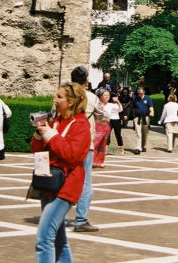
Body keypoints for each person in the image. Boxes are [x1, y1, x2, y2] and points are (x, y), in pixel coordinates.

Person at [32, 81, 91, 263]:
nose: (54, 100)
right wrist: (39, 133)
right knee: (58, 239)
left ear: (71, 101)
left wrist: (51, 135)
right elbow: (36, 149)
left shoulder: (81, 124)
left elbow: (72, 155)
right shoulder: (56, 121)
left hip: (67, 185)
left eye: (59, 97)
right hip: (48, 181)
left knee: (44, 238)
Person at [71, 65, 100, 233]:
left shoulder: (62, 95)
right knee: (85, 183)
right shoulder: (90, 97)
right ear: (86, 80)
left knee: (63, 178)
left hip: (63, 143)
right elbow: (103, 114)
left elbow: (53, 114)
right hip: (84, 145)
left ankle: (55, 215)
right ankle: (81, 219)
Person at [130, 86, 153, 154]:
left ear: (144, 92)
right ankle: (138, 148)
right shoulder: (135, 99)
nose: (140, 94)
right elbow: (132, 107)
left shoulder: (148, 98)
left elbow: (151, 107)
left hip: (145, 117)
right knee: (138, 133)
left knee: (144, 133)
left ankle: (143, 146)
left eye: (141, 93)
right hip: (137, 117)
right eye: (138, 93)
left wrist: (151, 111)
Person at [93, 90, 112, 167]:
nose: (107, 97)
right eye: (105, 95)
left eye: (108, 95)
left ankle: (100, 161)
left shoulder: (111, 105)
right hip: (97, 126)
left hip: (105, 127)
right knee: (95, 144)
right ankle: (92, 160)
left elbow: (119, 110)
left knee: (103, 145)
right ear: (101, 96)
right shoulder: (97, 104)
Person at [104, 91, 124, 156]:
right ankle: (105, 150)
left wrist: (118, 101)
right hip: (109, 120)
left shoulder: (117, 104)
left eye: (117, 97)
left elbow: (121, 109)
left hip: (116, 120)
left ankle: (122, 149)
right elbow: (106, 111)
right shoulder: (108, 104)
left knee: (118, 134)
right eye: (115, 97)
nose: (116, 98)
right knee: (107, 135)